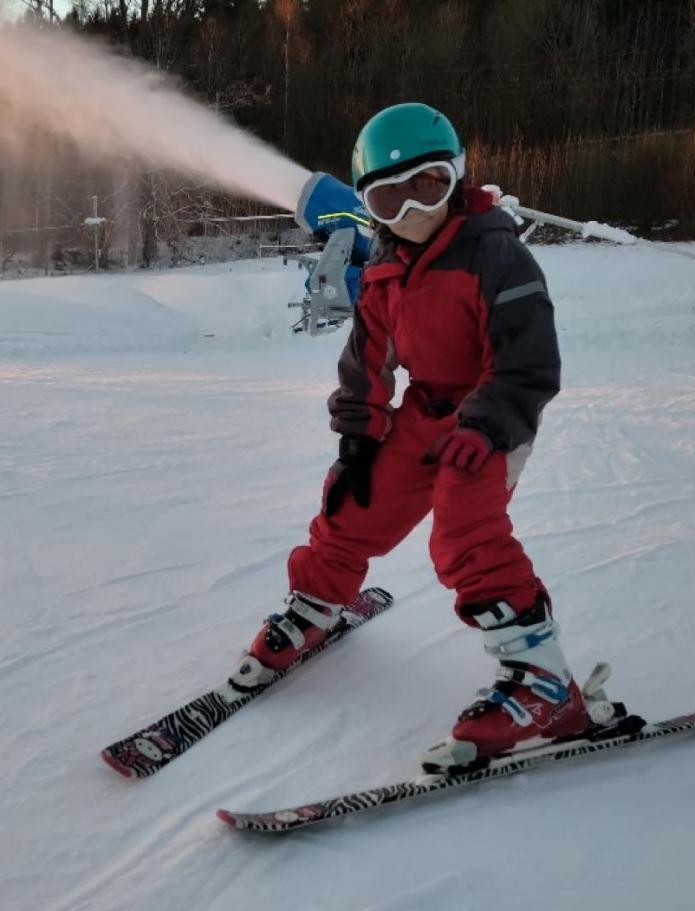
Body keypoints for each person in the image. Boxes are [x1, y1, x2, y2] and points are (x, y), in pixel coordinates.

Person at [238, 103, 605, 774]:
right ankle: (319, 603)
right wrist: (359, 435)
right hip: (426, 409)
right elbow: (366, 361)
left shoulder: (496, 254)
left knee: (464, 530)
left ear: (456, 178)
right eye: (388, 198)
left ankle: (545, 685)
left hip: (492, 413)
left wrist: (486, 426)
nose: (410, 212)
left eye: (428, 187)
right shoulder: (386, 266)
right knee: (353, 499)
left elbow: (528, 363)